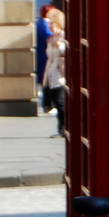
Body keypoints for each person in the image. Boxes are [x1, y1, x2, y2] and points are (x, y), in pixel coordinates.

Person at [42, 9, 66, 137]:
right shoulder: (50, 39)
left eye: (53, 24)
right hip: (51, 73)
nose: (51, 26)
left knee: (61, 102)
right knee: (57, 103)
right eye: (50, 24)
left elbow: (69, 52)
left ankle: (65, 129)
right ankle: (61, 129)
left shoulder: (64, 37)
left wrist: (61, 46)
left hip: (61, 74)